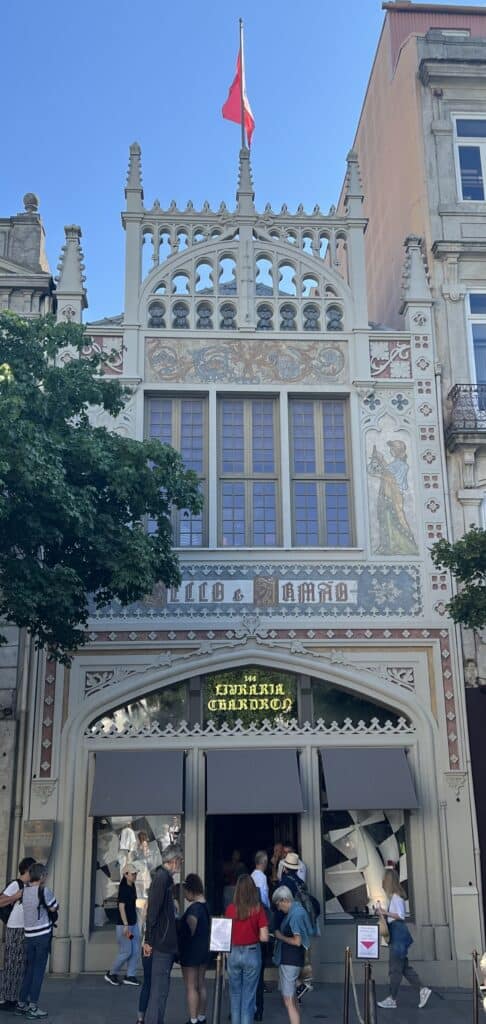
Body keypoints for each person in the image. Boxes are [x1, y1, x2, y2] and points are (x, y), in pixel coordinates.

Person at [376, 868, 432, 1010]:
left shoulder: (396, 898)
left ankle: (392, 998)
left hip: (398, 937)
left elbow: (400, 915)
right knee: (403, 968)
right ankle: (422, 989)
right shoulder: (396, 897)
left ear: (388, 882)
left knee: (395, 969)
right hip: (398, 936)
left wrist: (384, 912)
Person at [144, 845, 182, 1024]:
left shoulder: (165, 879)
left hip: (163, 941)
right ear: (174, 861)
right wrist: (149, 940)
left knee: (161, 990)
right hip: (161, 942)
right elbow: (152, 912)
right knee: (159, 990)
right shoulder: (161, 879)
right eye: (180, 861)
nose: (180, 865)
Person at [16, 862, 59, 1020]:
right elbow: (54, 907)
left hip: (28, 935)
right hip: (42, 935)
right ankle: (33, 1006)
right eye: (45, 875)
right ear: (41, 876)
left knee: (29, 969)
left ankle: (21, 1003)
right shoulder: (43, 890)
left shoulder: (24, 891)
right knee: (38, 971)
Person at [225, 875, 269, 1024]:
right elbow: (264, 937)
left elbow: (226, 935)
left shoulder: (230, 909)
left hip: (234, 952)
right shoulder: (258, 909)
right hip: (252, 952)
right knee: (249, 998)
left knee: (235, 996)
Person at [272, 886, 314, 1024]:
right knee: (293, 999)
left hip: (290, 960)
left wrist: (280, 936)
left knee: (288, 1000)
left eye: (278, 904)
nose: (278, 908)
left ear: (284, 900)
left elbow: (297, 941)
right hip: (296, 959)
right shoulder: (299, 910)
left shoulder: (295, 914)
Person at [0, 856, 36, 1011]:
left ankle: (16, 997)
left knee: (21, 964)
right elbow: (1, 900)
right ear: (28, 869)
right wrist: (16, 896)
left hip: (25, 928)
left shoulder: (29, 885)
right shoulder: (16, 884)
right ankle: (7, 998)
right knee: (12, 963)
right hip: (15, 928)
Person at [179, 874, 210, 1024]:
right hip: (204, 951)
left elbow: (190, 929)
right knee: (201, 984)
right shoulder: (205, 906)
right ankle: (202, 1017)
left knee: (191, 986)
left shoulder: (194, 909)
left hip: (191, 953)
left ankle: (193, 1020)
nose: (185, 895)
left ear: (191, 890)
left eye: (186, 891)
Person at [104, 862, 141, 986]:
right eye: (133, 874)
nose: (135, 876)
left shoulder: (132, 886)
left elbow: (132, 905)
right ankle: (111, 973)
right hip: (125, 926)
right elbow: (121, 907)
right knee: (126, 951)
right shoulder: (124, 888)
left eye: (136, 874)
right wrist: (125, 925)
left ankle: (130, 975)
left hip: (132, 925)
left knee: (135, 949)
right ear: (126, 875)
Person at [251, 852, 270, 1022]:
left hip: (249, 932)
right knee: (259, 969)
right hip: (260, 928)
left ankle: (249, 1007)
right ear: (263, 863)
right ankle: (258, 1009)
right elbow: (264, 899)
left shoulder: (250, 877)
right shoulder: (262, 878)